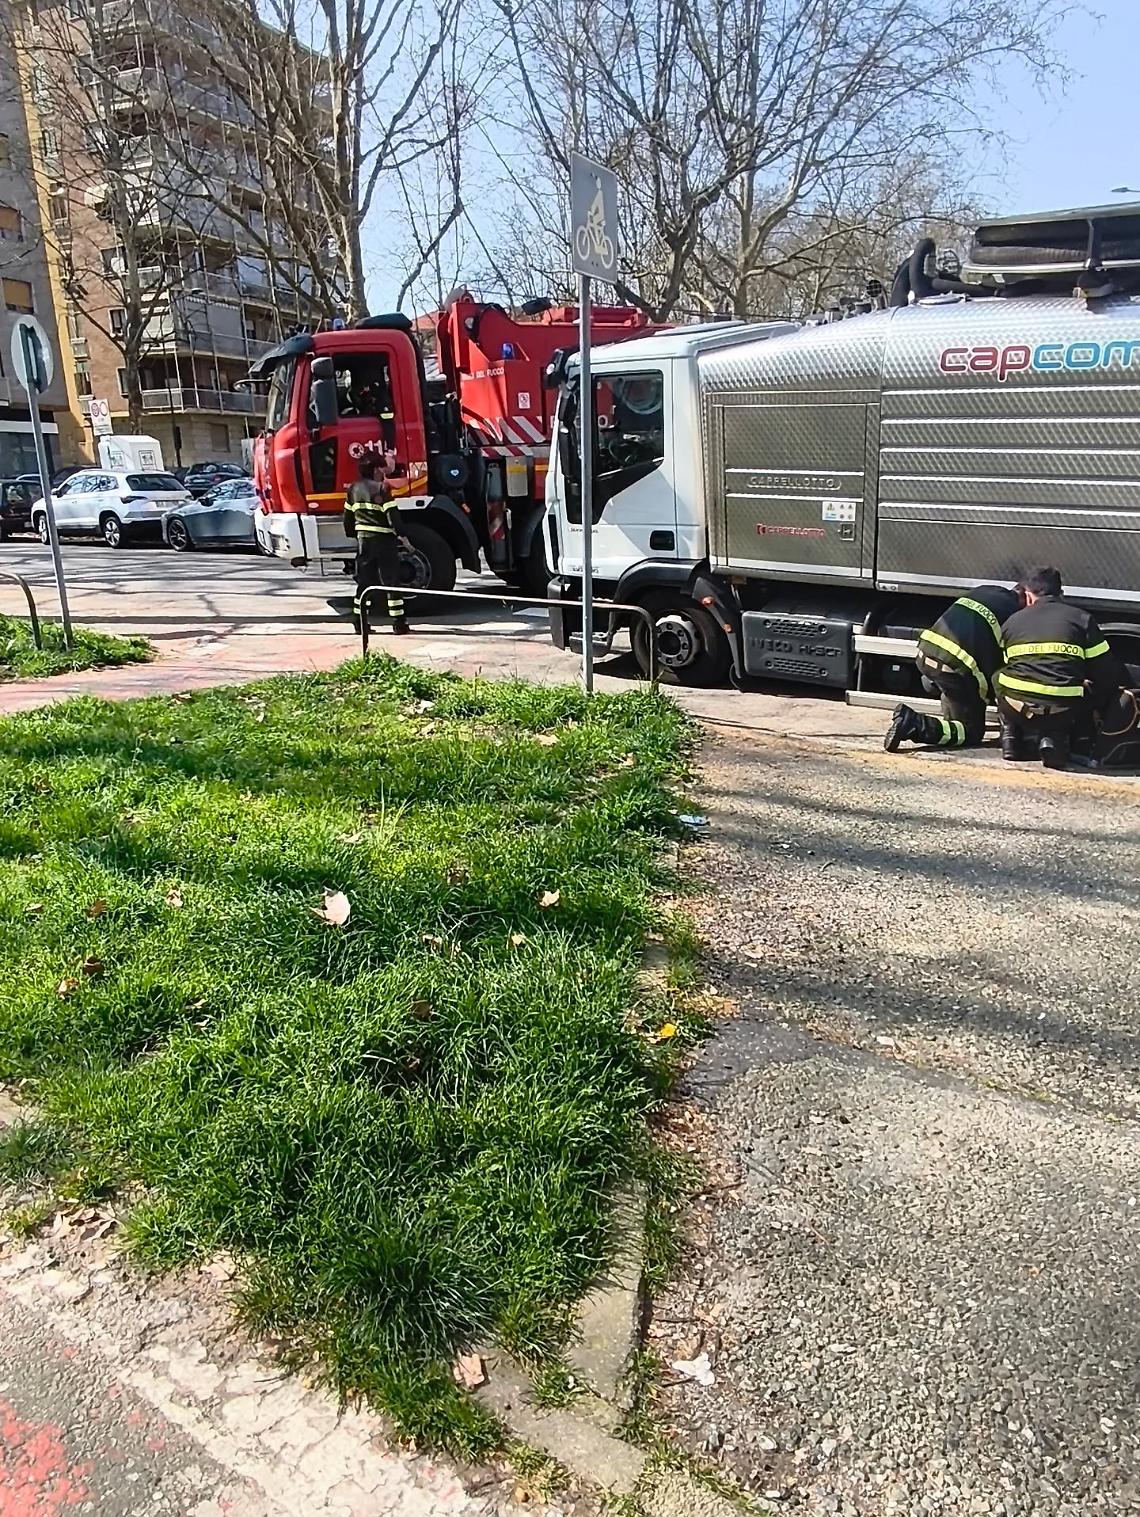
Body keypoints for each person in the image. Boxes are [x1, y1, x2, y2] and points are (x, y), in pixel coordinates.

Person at [994, 566, 1120, 768]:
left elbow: (1008, 665)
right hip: (1064, 712)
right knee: (1074, 693)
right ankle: (1055, 740)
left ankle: (1011, 738)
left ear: (1028, 595)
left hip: (1017, 708)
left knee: (998, 677)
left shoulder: (1012, 621)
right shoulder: (1082, 619)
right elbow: (1105, 672)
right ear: (1061, 593)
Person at [884, 581, 1026, 753]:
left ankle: (950, 719)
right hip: (952, 667)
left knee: (958, 697)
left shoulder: (986, 591)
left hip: (926, 653)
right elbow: (1004, 670)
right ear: (1026, 597)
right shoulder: (1016, 615)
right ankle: (913, 724)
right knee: (971, 732)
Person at [344, 446, 410, 636]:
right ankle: (399, 624)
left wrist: (354, 534)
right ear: (374, 469)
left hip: (364, 543)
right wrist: (403, 536)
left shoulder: (353, 489)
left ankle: (360, 623)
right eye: (382, 469)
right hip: (384, 542)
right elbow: (392, 516)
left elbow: (348, 518)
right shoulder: (382, 489)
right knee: (391, 582)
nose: (383, 473)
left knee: (364, 583)